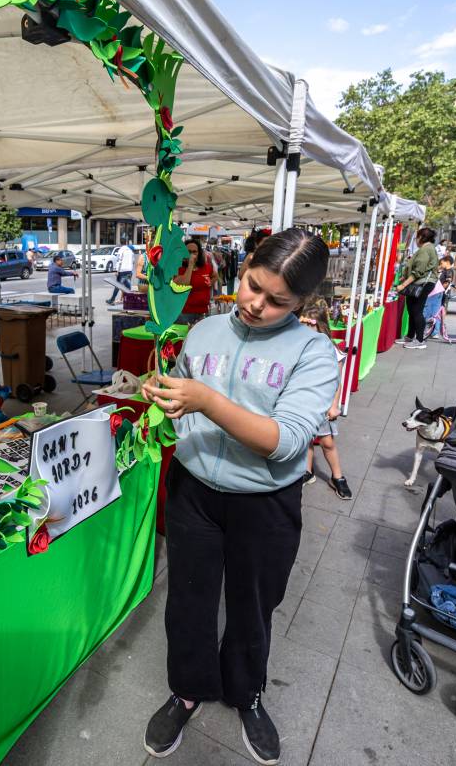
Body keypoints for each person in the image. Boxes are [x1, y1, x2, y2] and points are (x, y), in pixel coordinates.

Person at [140, 230, 338, 765]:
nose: (256, 305)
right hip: (193, 491)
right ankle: (186, 689)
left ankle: (246, 693)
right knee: (188, 598)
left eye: (278, 302)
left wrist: (205, 399)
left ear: (304, 303)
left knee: (253, 606)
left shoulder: (315, 352)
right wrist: (164, 391)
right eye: (253, 286)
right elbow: (179, 389)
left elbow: (287, 442)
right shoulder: (203, 330)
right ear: (245, 266)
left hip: (265, 503)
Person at [299, 301, 352, 499]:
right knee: (305, 439)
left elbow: (337, 382)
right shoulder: (299, 346)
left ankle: (337, 477)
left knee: (327, 442)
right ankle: (307, 470)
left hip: (322, 404)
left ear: (320, 325)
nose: (305, 331)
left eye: (309, 326)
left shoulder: (332, 350)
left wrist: (334, 405)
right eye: (301, 326)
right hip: (302, 401)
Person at [394, 228, 439, 349]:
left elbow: (418, 272)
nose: (415, 240)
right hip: (419, 282)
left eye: (416, 237)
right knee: (412, 309)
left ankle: (419, 340)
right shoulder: (427, 248)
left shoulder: (425, 249)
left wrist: (403, 285)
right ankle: (410, 336)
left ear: (421, 237)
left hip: (422, 283)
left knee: (417, 310)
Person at [175, 238, 215, 324]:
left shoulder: (206, 267)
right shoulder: (178, 268)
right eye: (189, 252)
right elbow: (184, 284)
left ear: (199, 253)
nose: (192, 254)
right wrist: (190, 265)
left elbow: (215, 276)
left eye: (194, 252)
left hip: (203, 312)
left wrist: (210, 283)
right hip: (185, 313)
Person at [425, 255, 455, 339]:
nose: (441, 265)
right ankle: (434, 331)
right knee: (437, 311)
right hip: (440, 293)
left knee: (437, 312)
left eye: (442, 263)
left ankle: (435, 332)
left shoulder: (449, 271)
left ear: (447, 262)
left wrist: (440, 290)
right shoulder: (446, 271)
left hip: (441, 293)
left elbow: (447, 282)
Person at [107, 238, 137, 305]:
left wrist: (117, 270)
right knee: (127, 285)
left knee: (118, 285)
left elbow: (119, 260)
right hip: (129, 270)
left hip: (122, 271)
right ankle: (130, 298)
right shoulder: (130, 251)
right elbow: (133, 261)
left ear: (120, 243)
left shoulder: (121, 250)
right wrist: (131, 270)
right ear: (126, 242)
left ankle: (112, 300)